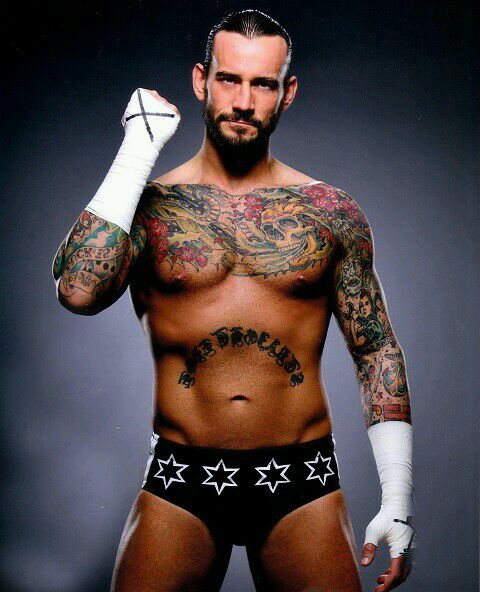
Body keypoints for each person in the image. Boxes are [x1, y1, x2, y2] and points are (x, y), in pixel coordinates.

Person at [52, 9, 415, 592]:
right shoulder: (149, 209)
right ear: (201, 81)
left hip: (301, 479)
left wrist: (397, 499)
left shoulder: (329, 212)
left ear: (286, 93)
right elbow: (78, 290)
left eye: (263, 84)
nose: (243, 102)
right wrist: (136, 151)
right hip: (182, 477)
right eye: (229, 79)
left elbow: (376, 351)